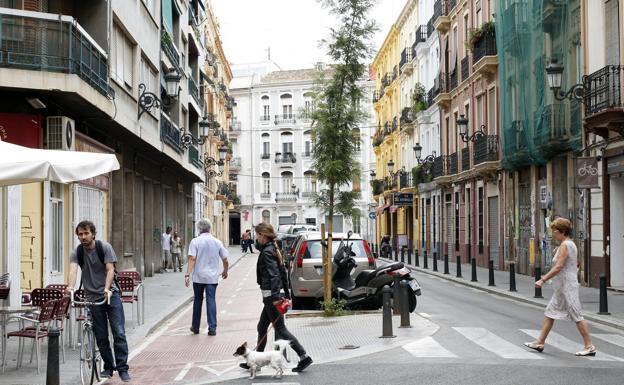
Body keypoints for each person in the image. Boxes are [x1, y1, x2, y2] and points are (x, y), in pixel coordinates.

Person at [240, 222, 312, 373]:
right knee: (262, 327)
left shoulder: (267, 252)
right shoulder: (273, 249)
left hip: (271, 296)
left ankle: (304, 356)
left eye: (258, 235)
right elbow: (282, 273)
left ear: (263, 235)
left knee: (281, 329)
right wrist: (286, 294)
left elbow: (274, 275)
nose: (256, 238)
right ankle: (256, 361)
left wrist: (275, 297)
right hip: (272, 296)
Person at [66, 220, 131, 382]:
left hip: (111, 295)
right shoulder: (77, 252)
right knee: (101, 336)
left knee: (119, 332)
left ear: (93, 234)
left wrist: (107, 288)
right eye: (80, 234)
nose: (83, 237)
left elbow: (110, 270)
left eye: (86, 233)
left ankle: (122, 368)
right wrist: (70, 286)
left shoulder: (105, 247)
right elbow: (73, 270)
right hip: (92, 297)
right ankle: (108, 367)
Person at [523, 217, 596, 356]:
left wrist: (542, 280)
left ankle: (589, 346)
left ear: (562, 231)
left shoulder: (565, 245)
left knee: (576, 314)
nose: (554, 235)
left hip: (567, 286)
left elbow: (559, 267)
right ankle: (540, 342)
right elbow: (576, 263)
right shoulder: (569, 244)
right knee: (550, 312)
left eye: (555, 232)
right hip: (562, 286)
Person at [185, 219, 229, 335]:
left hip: (198, 276)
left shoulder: (195, 241)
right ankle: (212, 328)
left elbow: (192, 259)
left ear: (199, 229)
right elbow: (225, 259)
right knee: (211, 300)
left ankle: (195, 327)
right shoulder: (217, 242)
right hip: (212, 277)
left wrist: (187, 274)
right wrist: (225, 271)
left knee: (198, 300)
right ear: (210, 228)